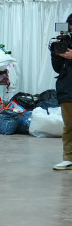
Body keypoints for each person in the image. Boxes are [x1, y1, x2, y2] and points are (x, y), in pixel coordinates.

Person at [51, 12, 72, 171]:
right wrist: (57, 54)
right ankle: (69, 158)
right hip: (67, 88)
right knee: (69, 126)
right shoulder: (63, 42)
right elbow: (57, 68)